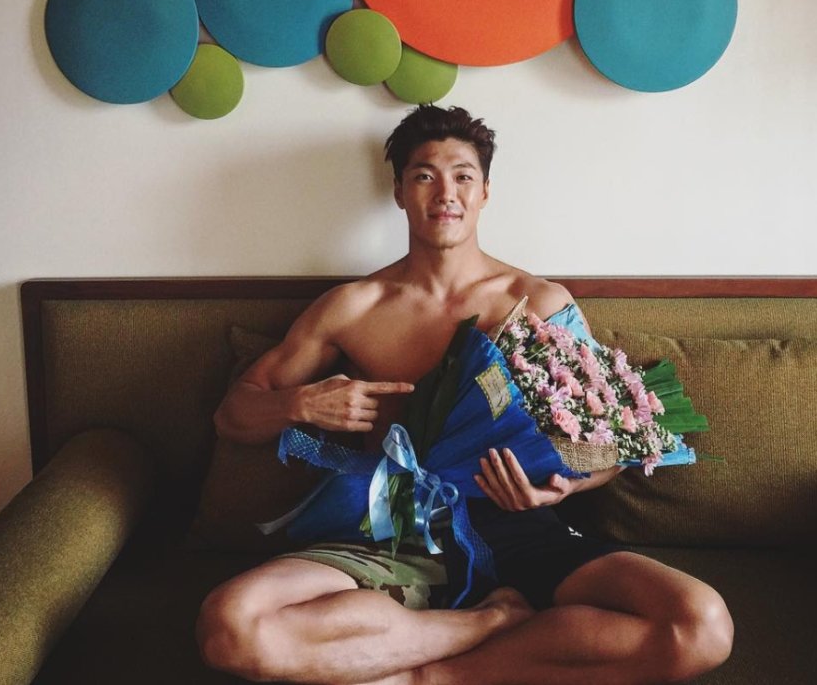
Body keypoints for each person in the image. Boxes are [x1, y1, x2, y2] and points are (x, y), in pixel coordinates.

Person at [196, 105, 733, 685]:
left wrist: (563, 487)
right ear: (399, 191)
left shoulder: (538, 304)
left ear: (484, 193)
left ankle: (434, 675)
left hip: (520, 529)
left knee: (700, 626)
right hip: (396, 531)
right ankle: (489, 622)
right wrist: (301, 405)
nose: (445, 193)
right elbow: (233, 415)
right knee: (232, 627)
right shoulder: (352, 307)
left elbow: (608, 444)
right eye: (424, 175)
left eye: (462, 176)